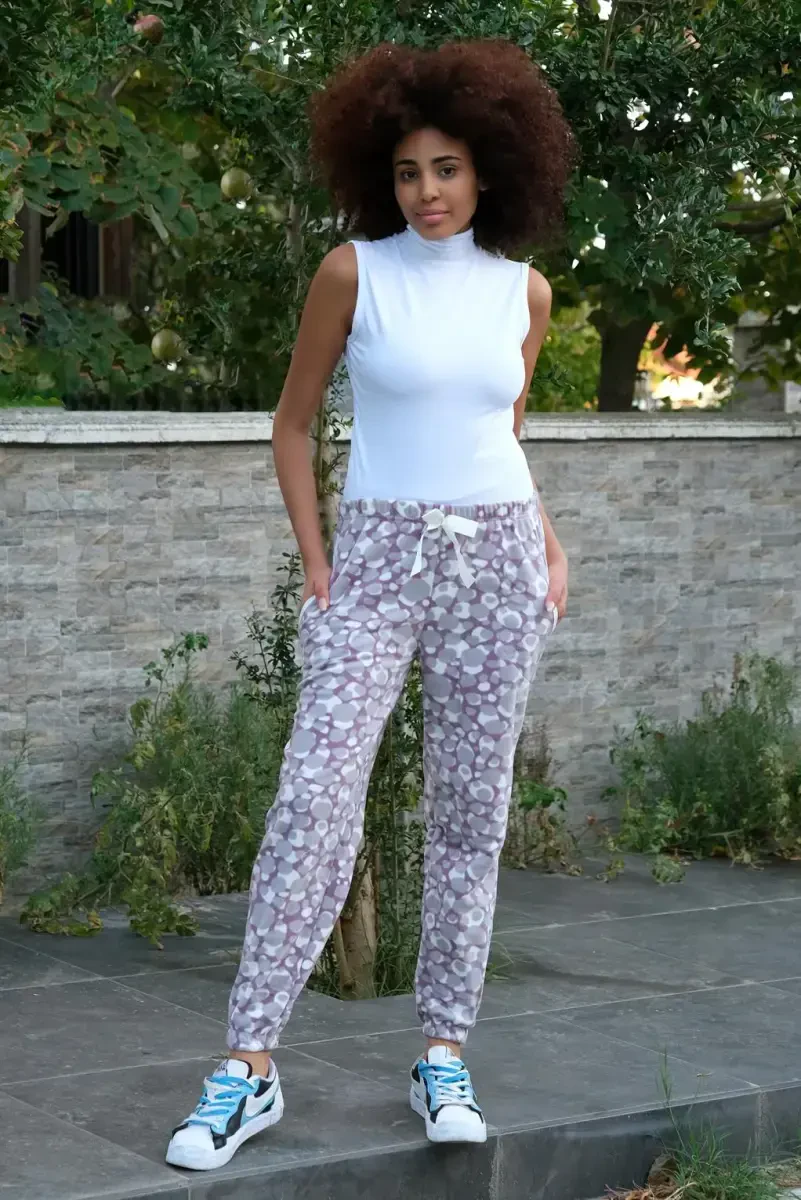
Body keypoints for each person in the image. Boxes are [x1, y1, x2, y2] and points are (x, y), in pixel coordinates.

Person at [166, 36, 576, 1171]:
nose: (426, 191)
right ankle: (249, 1066)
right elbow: (292, 427)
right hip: (378, 561)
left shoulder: (524, 292)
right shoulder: (355, 272)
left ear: (488, 169)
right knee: (314, 798)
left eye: (446, 169)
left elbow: (502, 431)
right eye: (407, 172)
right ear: (380, 177)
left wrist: (547, 544)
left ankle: (442, 1051)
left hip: (498, 563)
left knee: (470, 815)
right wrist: (319, 564)